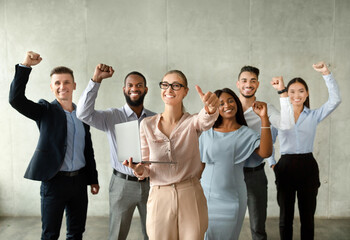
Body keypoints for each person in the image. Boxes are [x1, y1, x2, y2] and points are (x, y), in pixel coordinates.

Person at [9, 51, 100, 240]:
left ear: (74, 85)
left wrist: (93, 178)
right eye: (57, 83)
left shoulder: (82, 116)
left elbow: (87, 149)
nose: (62, 86)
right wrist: (25, 66)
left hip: (79, 183)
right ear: (51, 87)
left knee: (76, 233)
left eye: (66, 82)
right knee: (50, 235)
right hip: (54, 182)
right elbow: (15, 99)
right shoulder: (45, 111)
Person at [123, 70, 219, 240]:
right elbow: (145, 168)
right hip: (160, 196)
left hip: (190, 193)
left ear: (185, 91)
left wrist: (210, 108)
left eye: (176, 85)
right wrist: (138, 170)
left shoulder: (192, 122)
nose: (169, 89)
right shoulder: (147, 124)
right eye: (165, 85)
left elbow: (205, 121)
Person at [76, 64, 155, 240]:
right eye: (130, 85)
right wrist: (96, 80)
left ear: (146, 89)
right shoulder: (112, 116)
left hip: (152, 184)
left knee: (154, 234)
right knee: (117, 235)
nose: (134, 88)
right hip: (122, 185)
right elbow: (82, 113)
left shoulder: (154, 118)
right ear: (124, 89)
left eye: (139, 85)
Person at [273, 62, 341, 240]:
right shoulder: (279, 117)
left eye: (301, 91)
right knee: (285, 217)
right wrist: (272, 162)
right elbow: (268, 140)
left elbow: (335, 100)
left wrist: (326, 73)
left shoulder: (314, 115)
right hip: (285, 166)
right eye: (292, 91)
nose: (296, 95)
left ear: (307, 93)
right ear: (286, 94)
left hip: (308, 167)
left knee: (307, 217)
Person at [199, 88, 273, 240]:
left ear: (237, 103)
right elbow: (199, 166)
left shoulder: (245, 133)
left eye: (230, 100)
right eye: (221, 103)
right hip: (205, 197)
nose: (227, 105)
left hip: (232, 199)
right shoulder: (206, 132)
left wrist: (264, 118)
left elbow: (266, 153)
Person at [236, 65, 294, 240]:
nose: (248, 84)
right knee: (227, 225)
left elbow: (287, 124)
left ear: (258, 85)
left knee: (258, 227)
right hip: (231, 174)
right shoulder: (228, 107)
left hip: (255, 175)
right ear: (238, 84)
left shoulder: (266, 108)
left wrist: (283, 92)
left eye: (253, 81)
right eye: (245, 80)